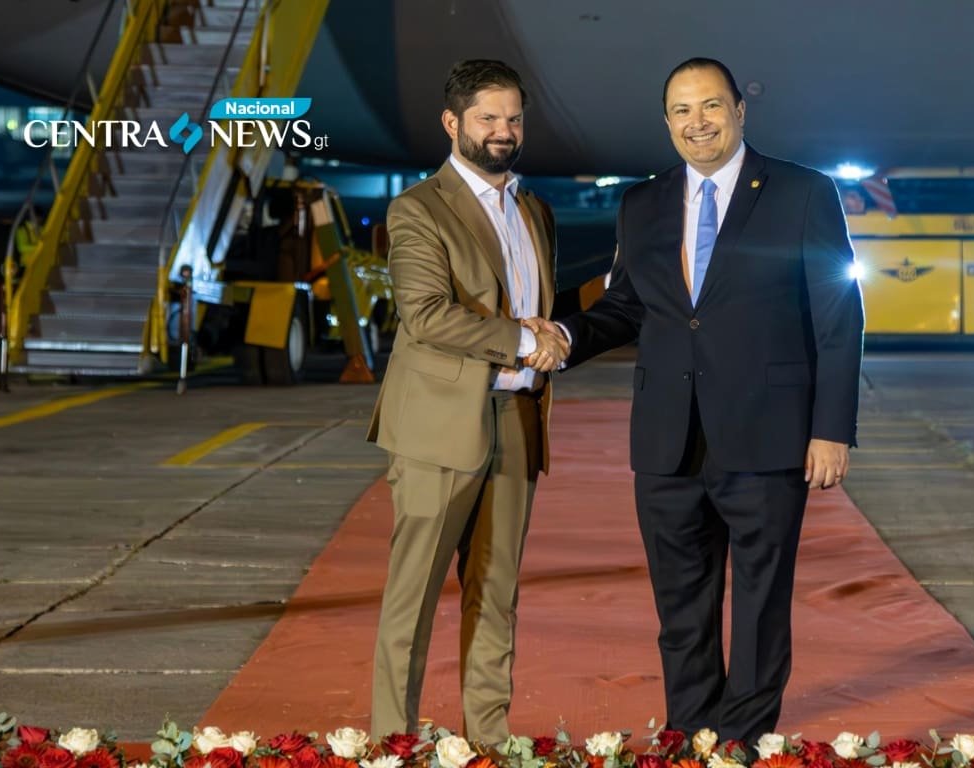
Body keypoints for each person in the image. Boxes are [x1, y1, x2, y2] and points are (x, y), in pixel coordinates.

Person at [529, 57, 864, 745]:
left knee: (761, 602)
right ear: (667, 122)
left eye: (711, 105)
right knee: (680, 603)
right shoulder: (643, 203)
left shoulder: (803, 192)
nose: (697, 122)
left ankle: (742, 742)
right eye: (682, 110)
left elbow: (838, 315)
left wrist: (831, 429)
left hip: (768, 434)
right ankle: (691, 734)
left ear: (740, 110)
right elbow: (627, 306)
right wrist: (566, 335)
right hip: (667, 438)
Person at [366, 59, 567, 744]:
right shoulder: (418, 208)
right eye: (488, 118)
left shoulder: (534, 210)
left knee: (496, 594)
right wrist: (525, 341)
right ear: (452, 123)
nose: (503, 130)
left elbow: (540, 312)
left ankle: (488, 740)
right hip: (439, 427)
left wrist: (567, 327)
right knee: (414, 596)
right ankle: (393, 741)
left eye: (513, 118)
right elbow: (426, 314)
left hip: (517, 419)